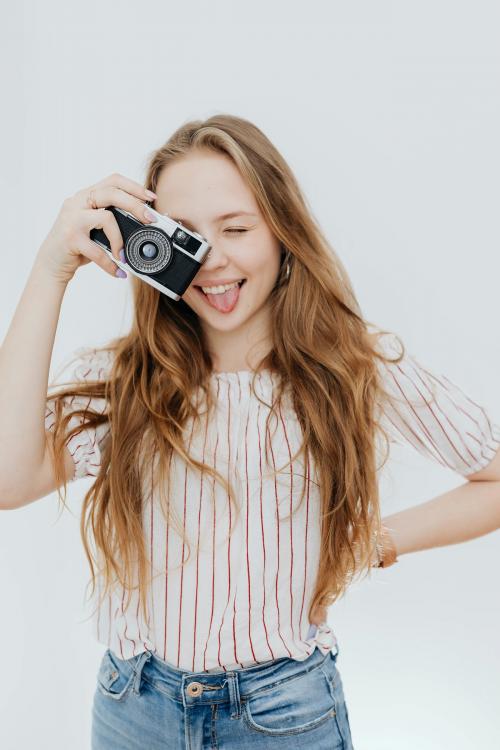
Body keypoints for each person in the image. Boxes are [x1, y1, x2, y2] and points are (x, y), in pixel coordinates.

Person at [1, 114, 500, 750]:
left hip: (285, 713)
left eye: (236, 228)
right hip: (134, 709)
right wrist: (52, 269)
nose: (211, 260)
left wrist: (374, 542)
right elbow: (7, 480)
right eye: (183, 236)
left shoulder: (350, 365)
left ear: (283, 232)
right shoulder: (122, 379)